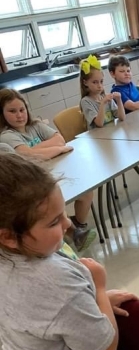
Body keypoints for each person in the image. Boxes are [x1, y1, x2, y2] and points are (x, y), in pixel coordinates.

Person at [0, 153, 139, 350]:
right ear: (9, 237)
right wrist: (98, 288)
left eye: (63, 213)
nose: (67, 225)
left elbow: (38, 315)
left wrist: (87, 300)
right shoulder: (57, 280)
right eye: (53, 222)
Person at [0, 89, 96, 252]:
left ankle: (76, 228)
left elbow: (60, 139)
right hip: (35, 183)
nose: (19, 115)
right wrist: (57, 149)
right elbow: (28, 156)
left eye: (22, 110)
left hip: (55, 170)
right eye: (12, 111)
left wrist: (40, 150)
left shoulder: (35, 125)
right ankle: (68, 234)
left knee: (86, 191)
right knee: (49, 203)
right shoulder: (6, 136)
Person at [79, 54, 126, 129]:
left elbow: (122, 117)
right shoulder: (85, 101)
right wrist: (103, 103)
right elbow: (99, 123)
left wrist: (119, 100)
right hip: (98, 138)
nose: (99, 85)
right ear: (85, 83)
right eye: (95, 82)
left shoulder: (105, 97)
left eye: (101, 81)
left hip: (110, 134)